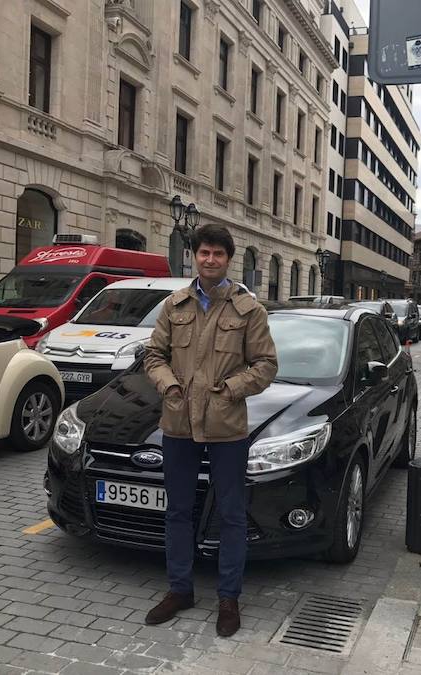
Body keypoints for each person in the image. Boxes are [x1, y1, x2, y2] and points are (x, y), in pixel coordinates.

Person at [143, 224, 277, 638]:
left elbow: (266, 366)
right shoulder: (174, 305)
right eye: (204, 252)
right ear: (194, 256)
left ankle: (228, 598)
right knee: (178, 511)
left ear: (228, 259)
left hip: (226, 426)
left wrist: (231, 389)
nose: (210, 259)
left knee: (231, 514)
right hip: (179, 422)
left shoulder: (248, 310)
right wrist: (169, 386)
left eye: (218, 253)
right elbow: (153, 355)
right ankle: (180, 590)